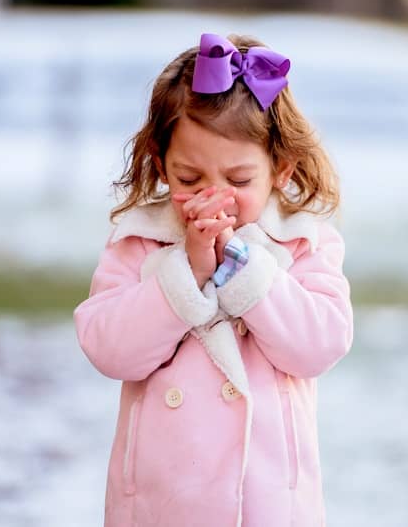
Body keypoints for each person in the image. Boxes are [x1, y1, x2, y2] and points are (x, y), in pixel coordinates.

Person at [73, 32, 354, 527]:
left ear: (280, 171)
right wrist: (187, 274)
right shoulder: (140, 240)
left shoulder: (301, 243)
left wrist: (244, 269)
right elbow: (107, 348)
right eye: (189, 179)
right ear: (161, 166)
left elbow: (320, 345)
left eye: (239, 180)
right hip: (162, 503)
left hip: (267, 503)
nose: (215, 195)